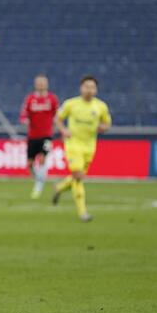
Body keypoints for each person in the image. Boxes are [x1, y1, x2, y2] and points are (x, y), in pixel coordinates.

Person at [52, 75, 111, 222]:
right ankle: (83, 212)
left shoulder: (100, 106)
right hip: (73, 144)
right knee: (78, 176)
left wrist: (102, 127)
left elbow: (107, 124)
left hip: (90, 147)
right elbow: (57, 118)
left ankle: (60, 187)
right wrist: (63, 130)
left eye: (92, 87)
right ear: (81, 88)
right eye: (86, 87)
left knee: (78, 177)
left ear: (96, 90)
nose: (89, 90)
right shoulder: (71, 104)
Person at [19, 74, 59, 199]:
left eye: (43, 82)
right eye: (39, 83)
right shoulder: (30, 99)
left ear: (47, 84)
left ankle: (39, 186)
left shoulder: (52, 99)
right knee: (29, 164)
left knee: (42, 158)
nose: (41, 85)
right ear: (35, 84)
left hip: (46, 135)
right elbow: (23, 114)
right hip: (33, 135)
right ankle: (39, 179)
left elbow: (57, 115)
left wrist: (57, 125)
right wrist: (25, 120)